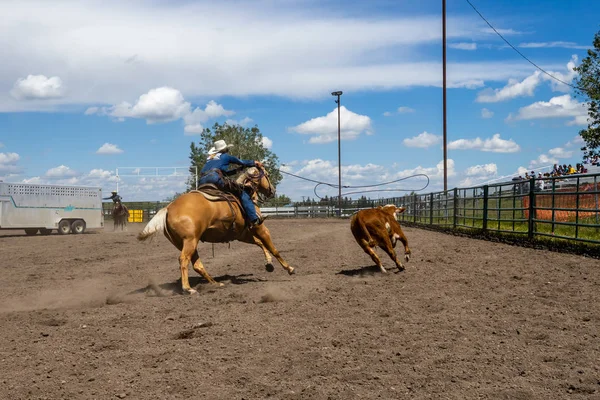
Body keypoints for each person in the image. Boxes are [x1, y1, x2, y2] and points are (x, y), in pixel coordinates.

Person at [198, 139, 266, 227]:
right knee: (242, 192)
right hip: (214, 178)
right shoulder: (225, 156)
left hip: (201, 181)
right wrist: (254, 162)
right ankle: (254, 218)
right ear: (224, 149)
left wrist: (237, 170)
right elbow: (240, 162)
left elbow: (222, 173)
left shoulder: (210, 158)